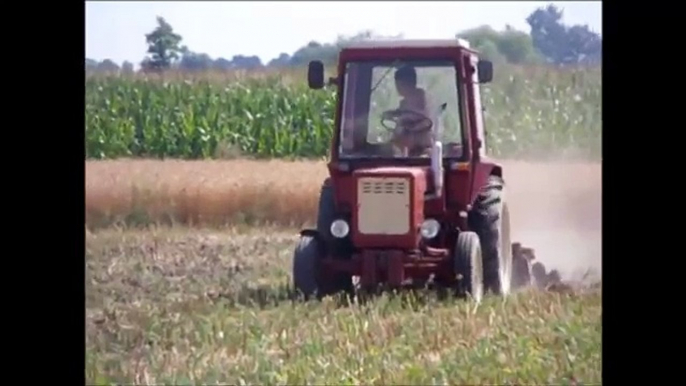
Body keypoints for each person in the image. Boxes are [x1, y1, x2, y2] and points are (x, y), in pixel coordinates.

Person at [383, 65, 434, 156]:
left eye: (400, 85)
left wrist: (405, 122)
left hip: (421, 147)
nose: (397, 88)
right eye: (397, 85)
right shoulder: (404, 102)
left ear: (409, 83)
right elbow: (402, 113)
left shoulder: (421, 98)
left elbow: (423, 119)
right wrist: (392, 114)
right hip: (407, 147)